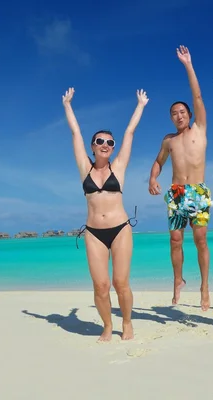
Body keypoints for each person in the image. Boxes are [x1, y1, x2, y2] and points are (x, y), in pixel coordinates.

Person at [63, 87, 148, 342]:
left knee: (120, 282)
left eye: (109, 142)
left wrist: (140, 105)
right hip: (93, 233)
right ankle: (108, 325)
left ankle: (128, 322)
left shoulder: (118, 167)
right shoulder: (84, 168)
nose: (105, 145)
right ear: (93, 146)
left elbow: (130, 132)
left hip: (120, 229)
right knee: (101, 285)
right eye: (100, 141)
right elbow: (75, 132)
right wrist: (67, 105)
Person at [148, 45, 213, 311]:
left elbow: (197, 95)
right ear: (171, 118)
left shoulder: (200, 128)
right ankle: (178, 280)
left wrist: (188, 64)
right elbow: (158, 162)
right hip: (176, 193)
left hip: (197, 191)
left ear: (189, 114)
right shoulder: (169, 140)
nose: (179, 116)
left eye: (182, 112)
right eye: (174, 113)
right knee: (175, 240)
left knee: (200, 240)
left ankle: (205, 287)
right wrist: (152, 178)